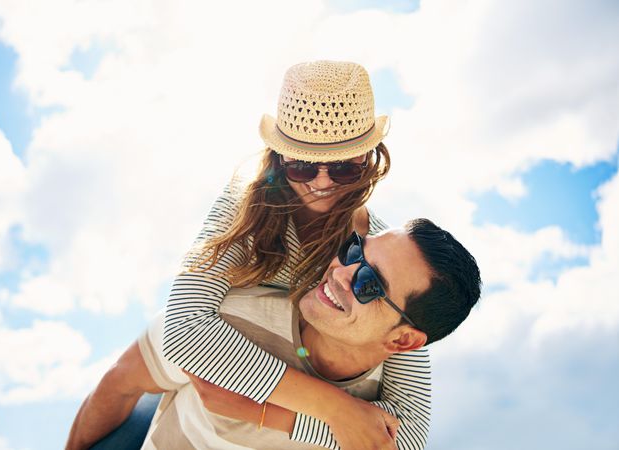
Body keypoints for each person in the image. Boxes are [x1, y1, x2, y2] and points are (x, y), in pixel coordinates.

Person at [68, 60, 432, 450]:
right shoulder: (245, 206)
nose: (322, 182)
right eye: (302, 164)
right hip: (217, 341)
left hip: (261, 369)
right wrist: (337, 411)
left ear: (370, 157)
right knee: (122, 382)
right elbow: (184, 330)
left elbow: (408, 434)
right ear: (278, 156)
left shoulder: (375, 259)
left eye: (343, 166)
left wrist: (286, 418)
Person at [68, 220, 482, 450]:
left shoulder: (382, 425)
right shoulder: (224, 319)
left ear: (403, 342)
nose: (340, 273)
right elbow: (119, 385)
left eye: (369, 284)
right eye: (354, 251)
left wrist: (267, 412)